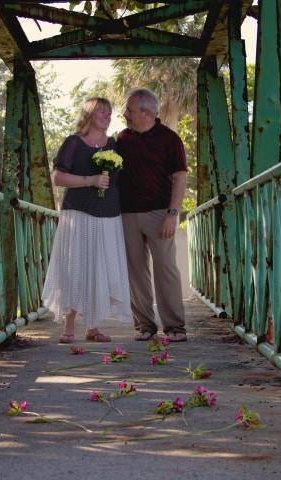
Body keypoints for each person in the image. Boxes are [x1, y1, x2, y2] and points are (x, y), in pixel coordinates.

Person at [42, 97, 132, 343]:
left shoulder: (113, 145)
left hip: (108, 213)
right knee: (76, 265)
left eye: (109, 112)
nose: (107, 116)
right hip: (78, 213)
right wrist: (89, 181)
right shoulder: (74, 142)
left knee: (100, 266)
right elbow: (59, 178)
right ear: (89, 115)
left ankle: (93, 326)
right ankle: (69, 326)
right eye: (102, 112)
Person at [117, 88, 188, 342]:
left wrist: (173, 213)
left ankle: (175, 327)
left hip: (160, 214)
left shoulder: (170, 139)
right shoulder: (122, 138)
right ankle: (145, 325)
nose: (125, 114)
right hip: (127, 215)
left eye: (130, 110)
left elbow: (180, 177)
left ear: (146, 112)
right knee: (135, 271)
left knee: (166, 268)